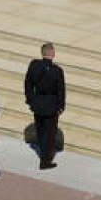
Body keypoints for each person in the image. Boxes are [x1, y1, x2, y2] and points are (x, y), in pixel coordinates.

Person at [25, 42, 66, 170]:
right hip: (51, 105)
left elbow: (27, 84)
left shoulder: (34, 65)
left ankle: (43, 154)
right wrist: (61, 106)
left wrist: (31, 100)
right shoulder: (57, 71)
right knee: (50, 134)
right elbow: (61, 90)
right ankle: (45, 160)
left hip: (38, 103)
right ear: (52, 54)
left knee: (41, 130)